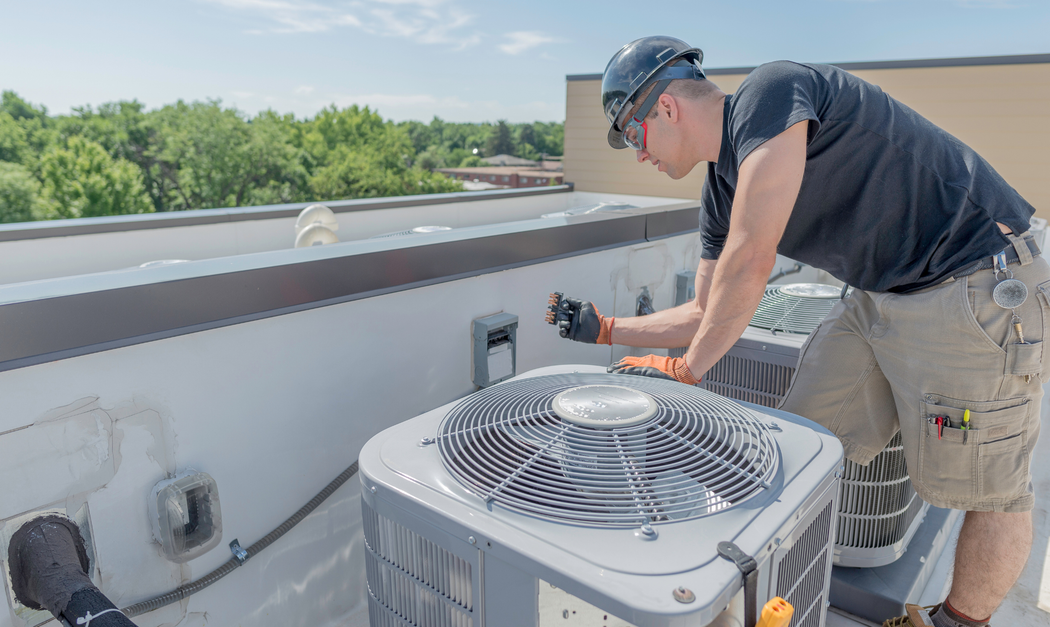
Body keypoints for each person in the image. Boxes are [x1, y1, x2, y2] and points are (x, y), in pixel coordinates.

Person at [554, 36, 1046, 627]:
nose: (638, 155)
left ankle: (956, 623)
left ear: (665, 107)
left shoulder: (770, 91)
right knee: (802, 439)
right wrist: (604, 328)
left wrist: (686, 369)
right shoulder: (720, 188)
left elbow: (752, 256)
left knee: (988, 489)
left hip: (972, 277)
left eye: (633, 136)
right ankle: (770, 594)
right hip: (879, 294)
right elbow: (706, 310)